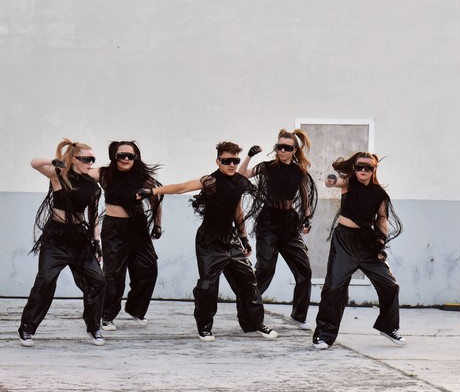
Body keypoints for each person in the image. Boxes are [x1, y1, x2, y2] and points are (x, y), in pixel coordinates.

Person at [138, 141, 277, 341]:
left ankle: (254, 323)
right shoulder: (210, 181)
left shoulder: (240, 182)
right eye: (226, 161)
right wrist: (152, 191)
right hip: (208, 242)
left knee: (248, 281)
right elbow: (182, 187)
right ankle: (204, 326)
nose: (231, 164)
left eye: (235, 160)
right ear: (218, 161)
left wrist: (244, 237)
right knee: (208, 285)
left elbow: (237, 210)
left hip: (230, 240)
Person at [311, 151, 404, 349]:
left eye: (368, 167)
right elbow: (333, 181)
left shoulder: (380, 194)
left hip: (367, 243)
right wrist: (331, 179)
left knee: (390, 285)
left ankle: (388, 327)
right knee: (334, 287)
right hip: (344, 242)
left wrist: (380, 243)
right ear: (354, 168)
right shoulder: (349, 183)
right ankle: (325, 335)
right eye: (359, 166)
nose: (363, 170)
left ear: (374, 170)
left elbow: (382, 219)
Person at [18, 139, 106, 347]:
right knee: (45, 281)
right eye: (86, 159)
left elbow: (93, 216)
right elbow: (34, 163)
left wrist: (96, 242)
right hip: (55, 239)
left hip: (80, 239)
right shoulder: (59, 176)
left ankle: (94, 328)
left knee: (98, 281)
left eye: (92, 159)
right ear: (73, 159)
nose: (90, 163)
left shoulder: (93, 185)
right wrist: (54, 161)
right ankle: (26, 328)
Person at [238, 129, 317, 329]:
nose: (282, 151)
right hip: (269, 222)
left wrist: (307, 218)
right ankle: (248, 311)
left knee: (304, 270)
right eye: (279, 147)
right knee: (265, 270)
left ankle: (298, 316)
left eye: (287, 148)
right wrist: (249, 156)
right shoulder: (267, 167)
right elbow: (243, 174)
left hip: (289, 224)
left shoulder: (299, 171)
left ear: (294, 150)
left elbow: (305, 197)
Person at [89, 141, 162, 331]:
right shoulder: (104, 174)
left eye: (131, 156)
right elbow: (82, 172)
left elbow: (155, 200)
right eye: (122, 155)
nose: (126, 159)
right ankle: (107, 315)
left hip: (138, 227)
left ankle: (135, 309)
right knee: (114, 274)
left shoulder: (143, 177)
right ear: (114, 156)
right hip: (114, 228)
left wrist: (157, 225)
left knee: (149, 268)